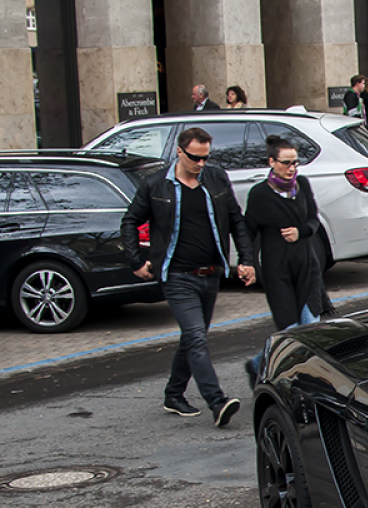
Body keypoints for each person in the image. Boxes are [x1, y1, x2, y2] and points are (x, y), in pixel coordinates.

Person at [120, 127, 256, 427]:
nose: (201, 164)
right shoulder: (157, 185)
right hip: (177, 276)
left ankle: (173, 393)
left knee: (193, 337)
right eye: (195, 158)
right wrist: (136, 261)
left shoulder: (216, 179)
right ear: (179, 152)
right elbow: (130, 221)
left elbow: (236, 219)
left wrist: (246, 260)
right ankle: (217, 401)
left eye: (206, 157)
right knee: (195, 337)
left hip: (211, 274)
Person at [243, 135, 325, 386]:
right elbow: (248, 231)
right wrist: (248, 263)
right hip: (277, 271)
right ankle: (257, 365)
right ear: (272, 162)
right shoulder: (259, 195)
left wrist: (301, 232)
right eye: (286, 163)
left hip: (306, 267)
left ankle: (307, 385)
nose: (292, 169)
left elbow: (314, 220)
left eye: (295, 163)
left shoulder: (302, 185)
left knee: (310, 329)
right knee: (290, 333)